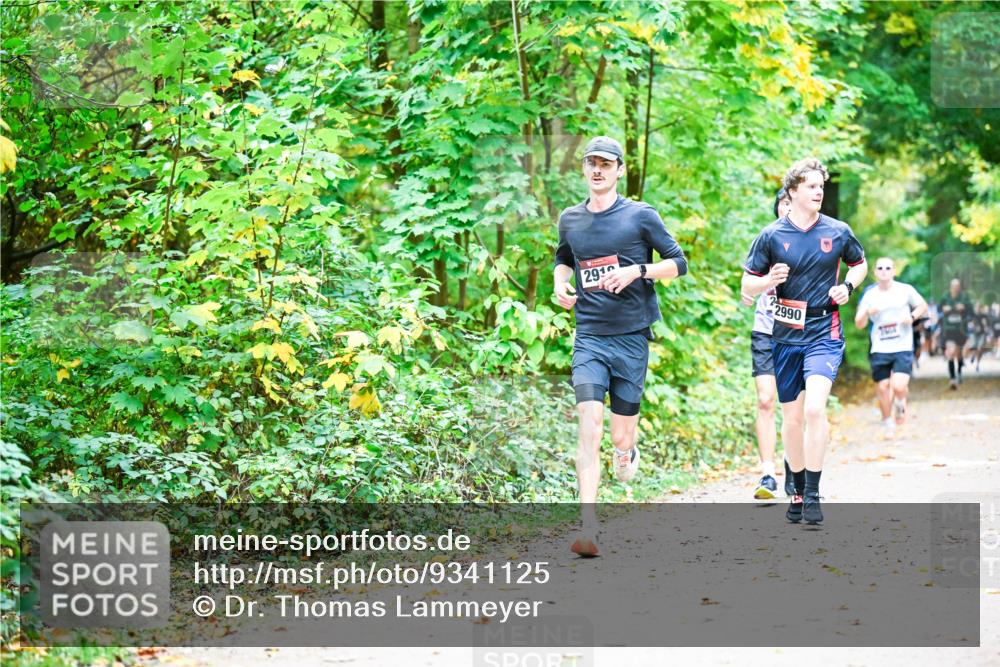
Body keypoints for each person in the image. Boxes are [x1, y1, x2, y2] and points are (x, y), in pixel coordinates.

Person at [553, 136, 688, 556]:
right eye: (591, 163)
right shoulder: (570, 219)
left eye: (605, 164)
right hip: (589, 336)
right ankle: (588, 528)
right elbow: (563, 257)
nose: (597, 170)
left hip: (631, 338)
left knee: (618, 435)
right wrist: (560, 280)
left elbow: (679, 263)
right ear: (584, 169)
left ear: (619, 170)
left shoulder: (640, 216)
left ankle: (627, 452)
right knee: (588, 426)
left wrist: (637, 272)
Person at [741, 157, 867, 526]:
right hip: (784, 336)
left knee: (814, 409)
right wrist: (767, 281)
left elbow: (859, 264)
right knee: (792, 418)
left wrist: (847, 286)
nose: (818, 192)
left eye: (821, 187)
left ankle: (812, 491)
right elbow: (747, 284)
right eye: (811, 187)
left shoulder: (838, 231)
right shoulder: (771, 236)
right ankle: (794, 487)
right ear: (792, 191)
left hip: (823, 332)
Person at [741, 188, 794, 499]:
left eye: (791, 202)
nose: (786, 209)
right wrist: (767, 282)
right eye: (782, 203)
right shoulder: (765, 241)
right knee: (765, 400)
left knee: (793, 406)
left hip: (799, 335)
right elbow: (746, 293)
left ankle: (794, 465)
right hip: (765, 332)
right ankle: (767, 474)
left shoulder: (812, 242)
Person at [854, 257, 927, 438]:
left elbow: (922, 305)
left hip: (902, 345)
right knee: (882, 387)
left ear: (894, 271)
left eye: (888, 267)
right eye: (880, 268)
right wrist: (866, 312)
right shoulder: (870, 295)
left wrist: (912, 316)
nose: (884, 271)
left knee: (898, 385)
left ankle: (901, 401)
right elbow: (859, 323)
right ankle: (888, 422)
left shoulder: (905, 290)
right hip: (880, 347)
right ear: (875, 272)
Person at [939, 279, 973, 389]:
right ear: (950, 286)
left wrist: (964, 308)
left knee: (959, 354)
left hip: (961, 330)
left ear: (960, 287)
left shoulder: (964, 297)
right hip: (949, 329)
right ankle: (952, 378)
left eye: (957, 286)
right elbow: (938, 308)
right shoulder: (945, 296)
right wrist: (944, 308)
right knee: (951, 352)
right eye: (954, 286)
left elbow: (971, 311)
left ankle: (959, 372)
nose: (956, 288)